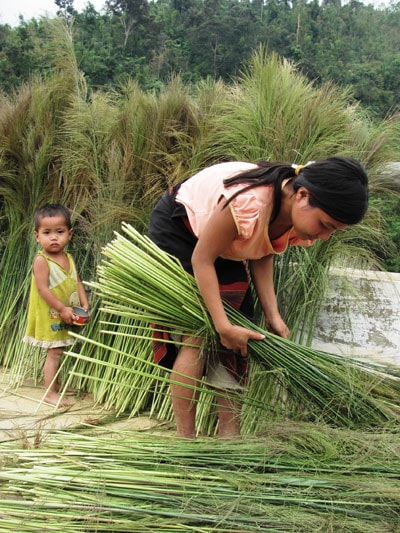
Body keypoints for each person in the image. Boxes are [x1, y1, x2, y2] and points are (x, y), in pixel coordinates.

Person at [148, 157, 369, 438]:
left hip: (220, 241)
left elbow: (262, 250)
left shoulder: (294, 210)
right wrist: (222, 325)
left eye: (333, 231)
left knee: (240, 340)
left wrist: (272, 315)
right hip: (181, 228)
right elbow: (202, 259)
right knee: (199, 334)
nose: (324, 236)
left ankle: (230, 437)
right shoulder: (248, 203)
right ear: (303, 195)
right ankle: (185, 440)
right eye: (325, 225)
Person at [23, 204, 90, 406]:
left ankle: (57, 384)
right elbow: (43, 289)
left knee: (61, 350)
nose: (53, 237)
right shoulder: (41, 261)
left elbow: (76, 281)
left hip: (67, 313)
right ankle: (50, 392)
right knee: (54, 352)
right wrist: (61, 309)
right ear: (37, 236)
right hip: (51, 314)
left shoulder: (68, 257)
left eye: (59, 232)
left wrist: (85, 303)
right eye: (47, 232)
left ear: (69, 234)